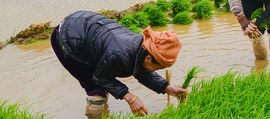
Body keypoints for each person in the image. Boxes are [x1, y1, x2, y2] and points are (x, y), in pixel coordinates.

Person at [51, 10, 187, 118]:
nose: (157, 70)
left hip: (85, 26)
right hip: (66, 38)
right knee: (96, 89)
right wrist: (130, 98)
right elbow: (101, 78)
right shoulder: (120, 55)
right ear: (148, 59)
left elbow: (143, 72)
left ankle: (104, 113)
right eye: (159, 67)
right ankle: (95, 115)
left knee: (104, 78)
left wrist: (167, 88)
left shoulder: (142, 48)